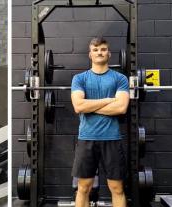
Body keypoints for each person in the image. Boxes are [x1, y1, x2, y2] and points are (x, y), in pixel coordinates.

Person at [71, 37, 129, 207]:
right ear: (90, 54)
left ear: (109, 53)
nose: (99, 52)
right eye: (95, 50)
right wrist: (108, 100)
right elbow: (78, 106)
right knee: (83, 188)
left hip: (112, 139)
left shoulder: (120, 79)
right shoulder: (80, 78)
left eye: (103, 49)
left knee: (117, 188)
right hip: (87, 138)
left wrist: (89, 106)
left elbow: (121, 108)